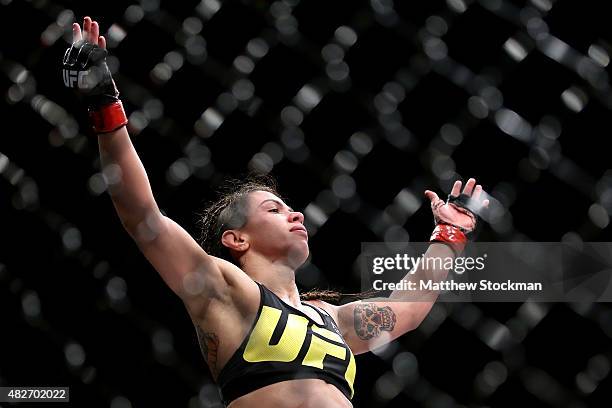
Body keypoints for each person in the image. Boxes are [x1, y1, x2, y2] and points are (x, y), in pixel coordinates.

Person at [62, 17, 489, 407]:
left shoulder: (330, 321)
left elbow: (407, 310)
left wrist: (449, 236)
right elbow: (144, 219)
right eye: (274, 209)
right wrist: (104, 106)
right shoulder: (225, 291)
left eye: (292, 209)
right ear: (237, 238)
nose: (298, 215)